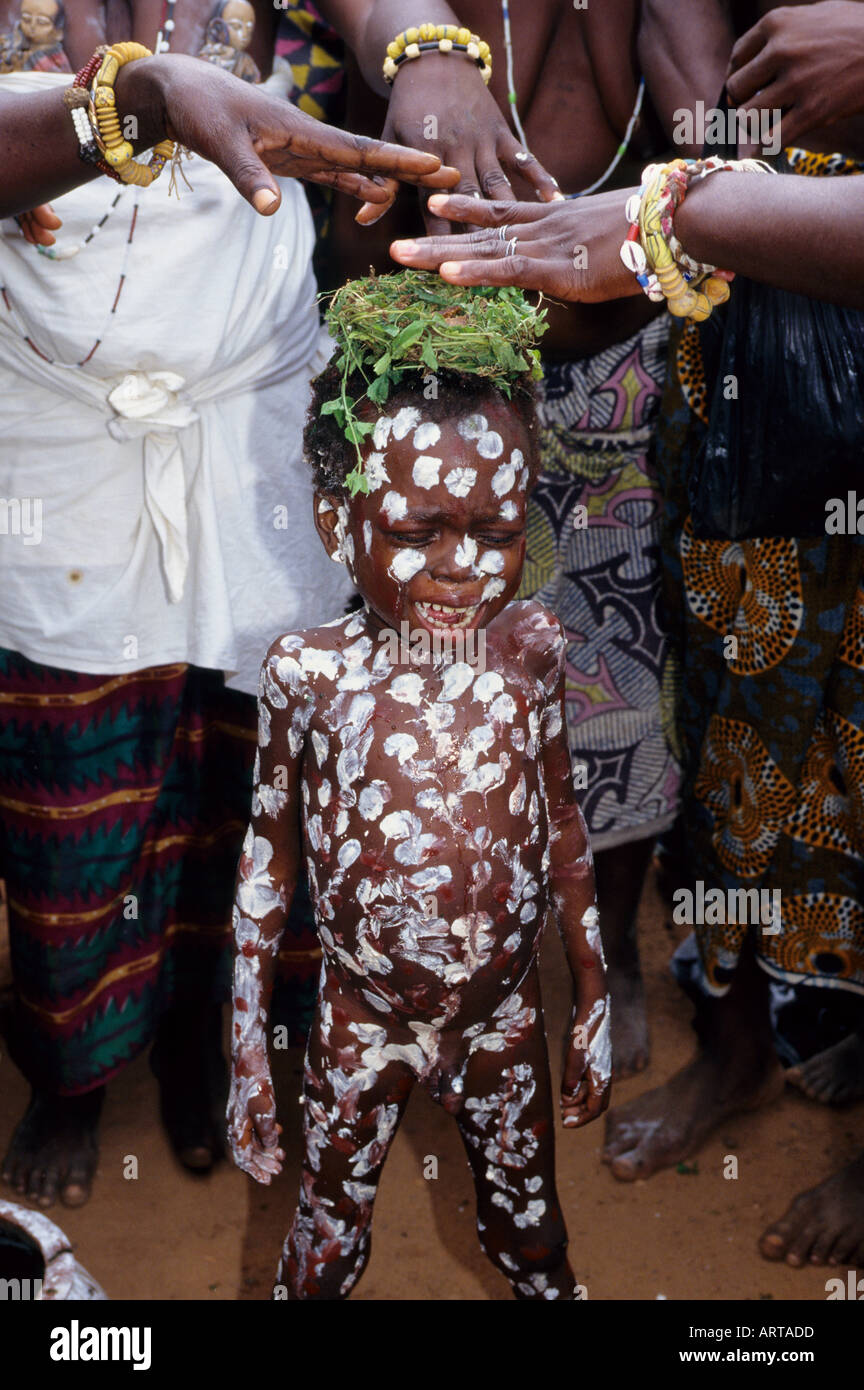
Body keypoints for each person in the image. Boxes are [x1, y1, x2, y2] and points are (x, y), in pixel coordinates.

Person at [393, 0, 864, 1271]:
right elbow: (706, 110)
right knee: (735, 747)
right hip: (740, 359)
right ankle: (736, 1052)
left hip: (743, 264)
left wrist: (703, 197)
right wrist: (716, 183)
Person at [0, 2, 459, 1212]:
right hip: (54, 439)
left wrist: (435, 59)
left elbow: (386, 9)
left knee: (248, 777)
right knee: (75, 797)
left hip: (250, 418)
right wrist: (142, 98)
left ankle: (206, 1034)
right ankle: (72, 1072)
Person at [225, 271, 610, 1300]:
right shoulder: (309, 672)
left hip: (501, 1016)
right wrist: (248, 1047)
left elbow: (564, 822)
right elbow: (268, 860)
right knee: (325, 1245)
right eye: (414, 532)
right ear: (334, 520)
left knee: (533, 1240)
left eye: (495, 533)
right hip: (362, 1015)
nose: (459, 568)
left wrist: (596, 989)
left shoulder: (530, 648)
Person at [324, 0, 686, 1082]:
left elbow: (711, 124)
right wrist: (426, 50)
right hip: (435, 372)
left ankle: (610, 948)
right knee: (429, 695)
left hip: (626, 369)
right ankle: (430, 961)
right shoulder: (426, 29)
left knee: (620, 684)